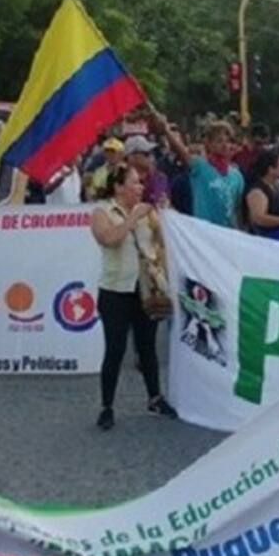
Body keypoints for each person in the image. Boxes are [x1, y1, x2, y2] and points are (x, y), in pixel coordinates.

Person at [89, 165, 178, 430]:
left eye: (141, 183)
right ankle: (107, 406)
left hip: (145, 289)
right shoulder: (102, 212)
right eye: (134, 183)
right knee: (115, 349)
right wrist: (131, 218)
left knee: (147, 346)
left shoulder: (147, 213)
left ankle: (155, 397)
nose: (140, 187)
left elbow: (163, 241)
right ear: (118, 187)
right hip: (115, 290)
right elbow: (108, 239)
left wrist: (166, 215)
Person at [154, 117, 245, 229]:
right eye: (219, 141)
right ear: (209, 144)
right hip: (203, 232)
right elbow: (181, 150)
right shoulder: (200, 167)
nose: (225, 145)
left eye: (228, 141)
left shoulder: (237, 176)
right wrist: (166, 131)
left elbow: (237, 210)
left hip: (226, 235)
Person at [125, 136, 169, 206]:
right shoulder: (121, 181)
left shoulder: (160, 178)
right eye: (146, 154)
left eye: (152, 153)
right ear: (131, 157)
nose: (151, 157)